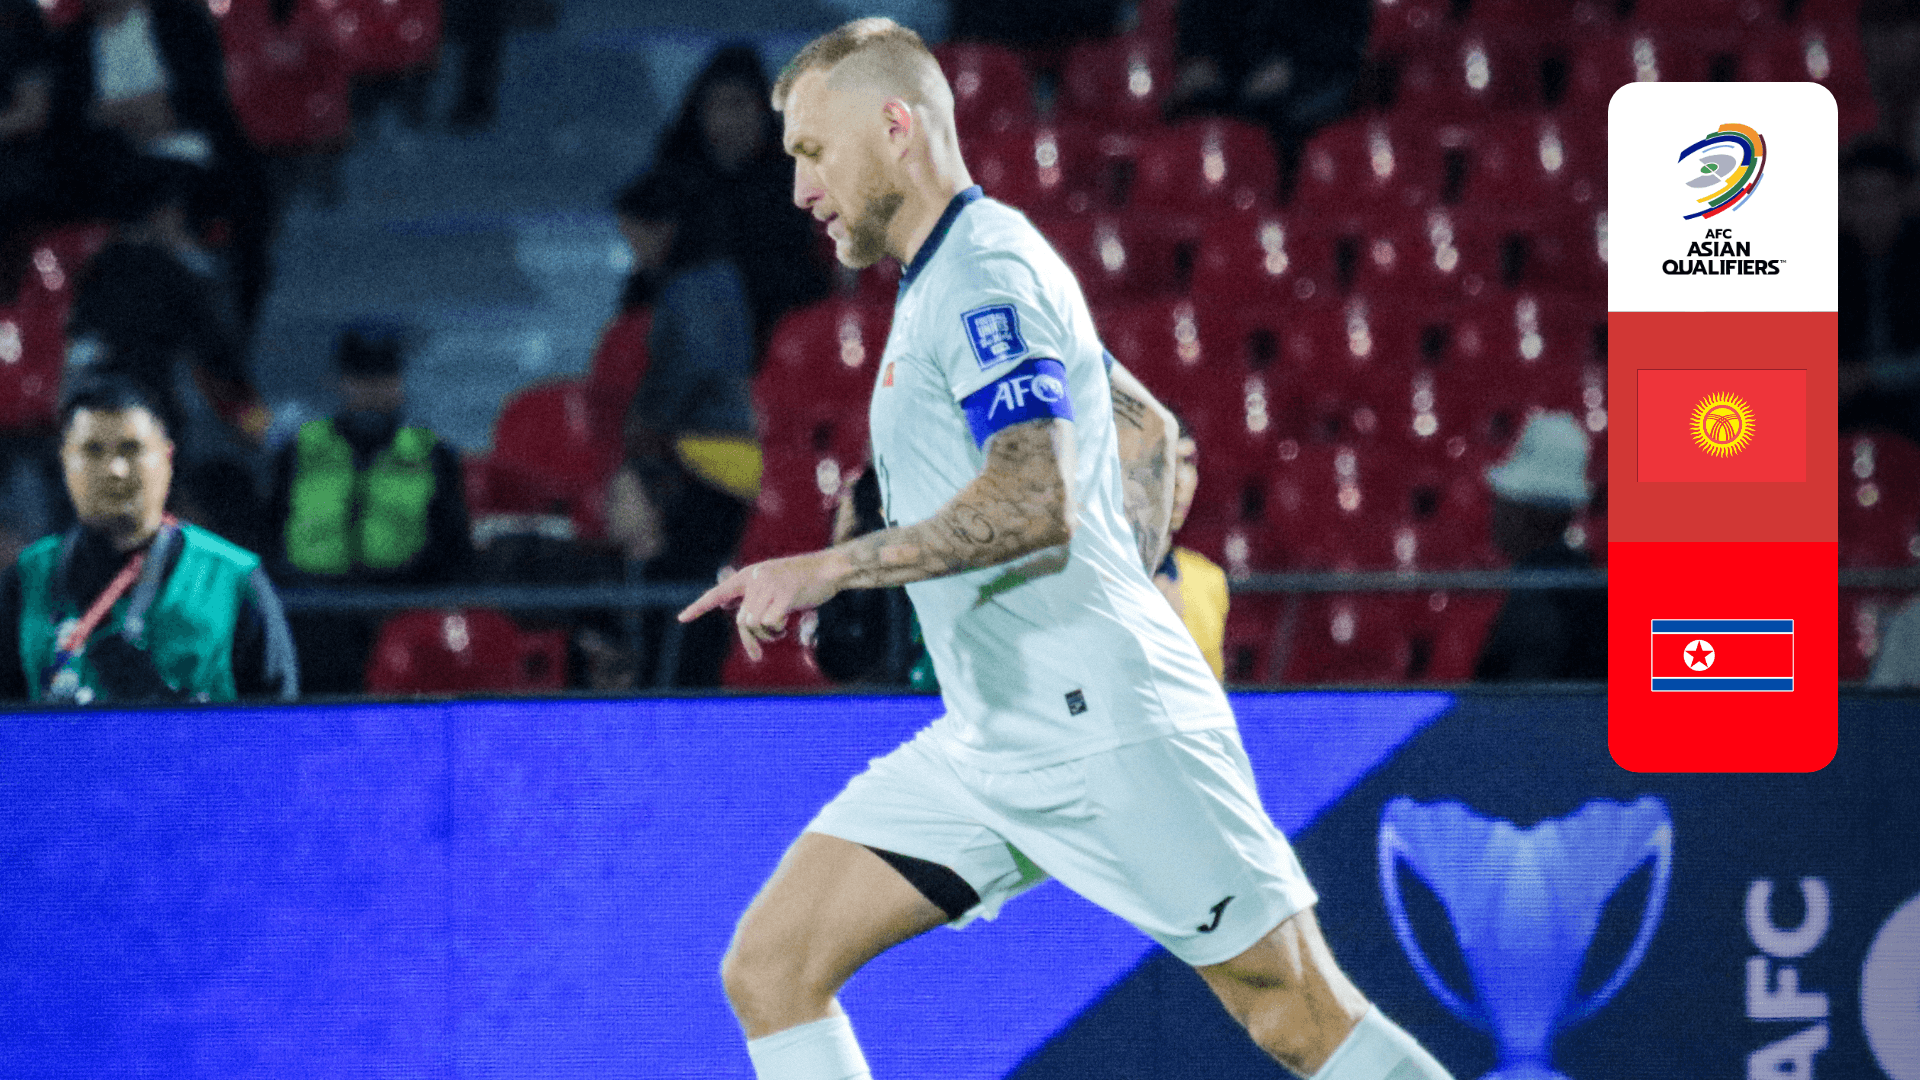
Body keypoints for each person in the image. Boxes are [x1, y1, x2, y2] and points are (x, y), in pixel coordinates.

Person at [678, 20, 1456, 1080]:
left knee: (1297, 1014)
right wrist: (1106, 589)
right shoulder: (953, 271)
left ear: (897, 127)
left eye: (814, 152)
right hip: (996, 736)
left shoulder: (984, 273)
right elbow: (1148, 431)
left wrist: (830, 568)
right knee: (771, 966)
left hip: (1107, 732)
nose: (801, 188)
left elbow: (1037, 499)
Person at [0, 376, 297, 703]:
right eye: (92, 450)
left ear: (167, 458)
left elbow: (281, 724)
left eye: (131, 449)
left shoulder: (233, 578)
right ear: (65, 462)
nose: (115, 470)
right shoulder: (26, 578)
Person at [612, 164, 761, 687]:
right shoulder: (715, 280)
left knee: (682, 583)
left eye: (634, 235)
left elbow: (691, 370)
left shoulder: (695, 288)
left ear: (663, 228)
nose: (633, 250)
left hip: (708, 459)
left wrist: (646, 420)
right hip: (718, 455)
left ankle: (678, 688)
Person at [45, 0, 278, 331]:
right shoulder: (73, 41)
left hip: (191, 144)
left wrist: (139, 112)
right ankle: (175, 262)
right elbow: (72, 118)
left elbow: (202, 93)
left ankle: (225, 306)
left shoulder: (179, 22)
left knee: (240, 188)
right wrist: (136, 114)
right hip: (112, 156)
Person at [266, 323, 472, 693]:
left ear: (399, 382)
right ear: (339, 382)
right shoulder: (298, 453)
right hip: (311, 613)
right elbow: (268, 536)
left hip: (403, 611)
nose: (372, 390)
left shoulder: (432, 455)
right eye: (360, 378)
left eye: (383, 377)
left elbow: (454, 548)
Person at [637, 43, 832, 358]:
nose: (727, 120)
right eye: (715, 106)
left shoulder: (799, 188)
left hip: (785, 351)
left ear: (763, 111)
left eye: (738, 104)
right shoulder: (672, 190)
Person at [1472, 410, 1606, 682]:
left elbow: (1520, 696)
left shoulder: (1536, 599)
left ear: (1528, 514)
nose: (1494, 514)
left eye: (1503, 502)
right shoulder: (1584, 581)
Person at [1838, 140, 1920, 444]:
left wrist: (1868, 375)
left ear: (1905, 198)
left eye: (1883, 197)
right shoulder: (1832, 257)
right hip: (1845, 409)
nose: (1872, 211)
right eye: (1860, 199)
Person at [1152, 415, 1229, 681]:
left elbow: (1212, 694)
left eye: (1187, 462)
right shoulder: (1099, 576)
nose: (1178, 480)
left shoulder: (1209, 580)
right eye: (1163, 461)